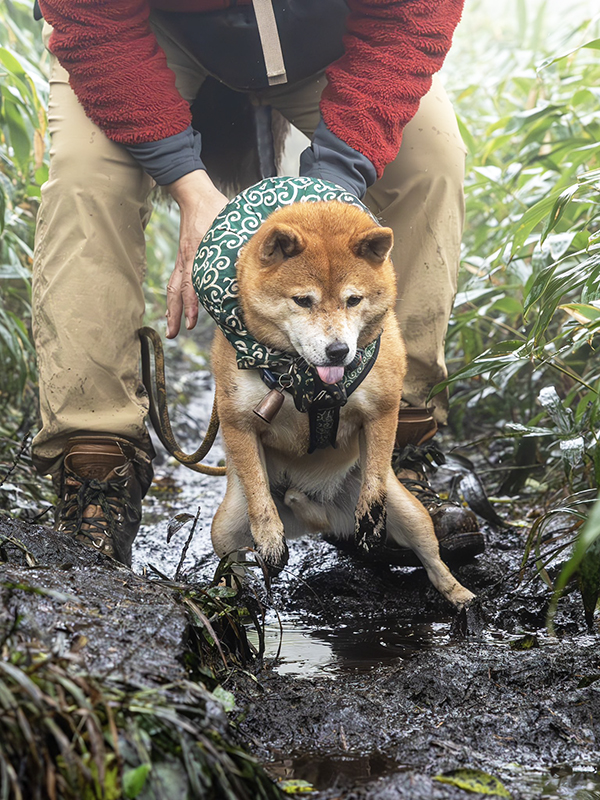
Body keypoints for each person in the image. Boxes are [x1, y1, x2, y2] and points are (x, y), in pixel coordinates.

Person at [32, 0, 483, 567]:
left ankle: (396, 449)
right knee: (85, 180)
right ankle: (95, 462)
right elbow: (93, 19)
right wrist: (189, 186)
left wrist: (337, 183)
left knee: (429, 164)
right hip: (141, 33)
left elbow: (413, 14)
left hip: (327, 37)